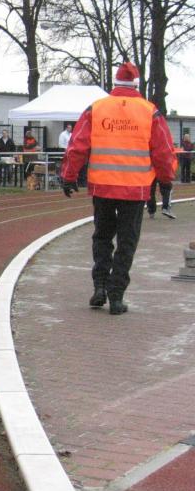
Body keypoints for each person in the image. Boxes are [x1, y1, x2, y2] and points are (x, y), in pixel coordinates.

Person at [60, 62, 177, 315]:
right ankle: (116, 295)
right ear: (136, 84)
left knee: (102, 237)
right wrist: (166, 180)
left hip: (102, 187)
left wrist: (69, 176)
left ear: (115, 82)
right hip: (135, 189)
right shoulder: (150, 112)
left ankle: (100, 286)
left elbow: (77, 146)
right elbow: (163, 152)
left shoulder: (96, 108)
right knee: (127, 241)